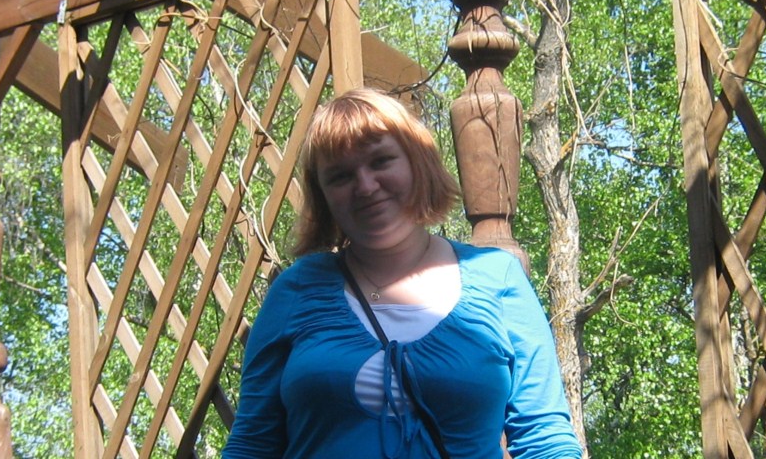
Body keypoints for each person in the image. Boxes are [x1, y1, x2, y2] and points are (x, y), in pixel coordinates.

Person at [223, 88, 582, 459]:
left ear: (416, 163)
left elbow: (546, 439)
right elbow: (252, 443)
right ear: (323, 196)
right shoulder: (297, 290)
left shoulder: (498, 276)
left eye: (380, 161)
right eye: (341, 176)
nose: (365, 186)